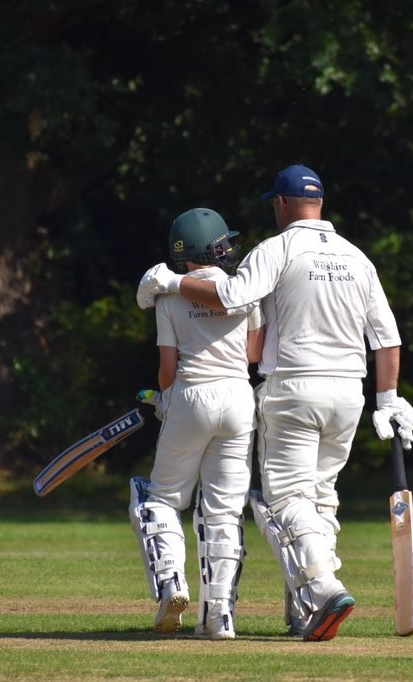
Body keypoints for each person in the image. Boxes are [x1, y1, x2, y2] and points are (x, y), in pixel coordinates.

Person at [136, 165, 413, 642]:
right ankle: (304, 611)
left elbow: (231, 295)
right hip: (348, 392)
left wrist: (170, 282)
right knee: (320, 497)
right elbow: (387, 339)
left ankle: (323, 588)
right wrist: (388, 400)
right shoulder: (357, 257)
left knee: (285, 499)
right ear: (320, 202)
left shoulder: (277, 248)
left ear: (281, 204)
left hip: (292, 389)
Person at [129, 207, 264, 640]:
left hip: (190, 394)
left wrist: (166, 400)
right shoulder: (245, 289)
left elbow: (168, 367)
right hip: (238, 398)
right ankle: (219, 618)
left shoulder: (168, 297)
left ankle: (171, 583)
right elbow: (253, 354)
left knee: (159, 499)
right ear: (215, 247)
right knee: (224, 510)